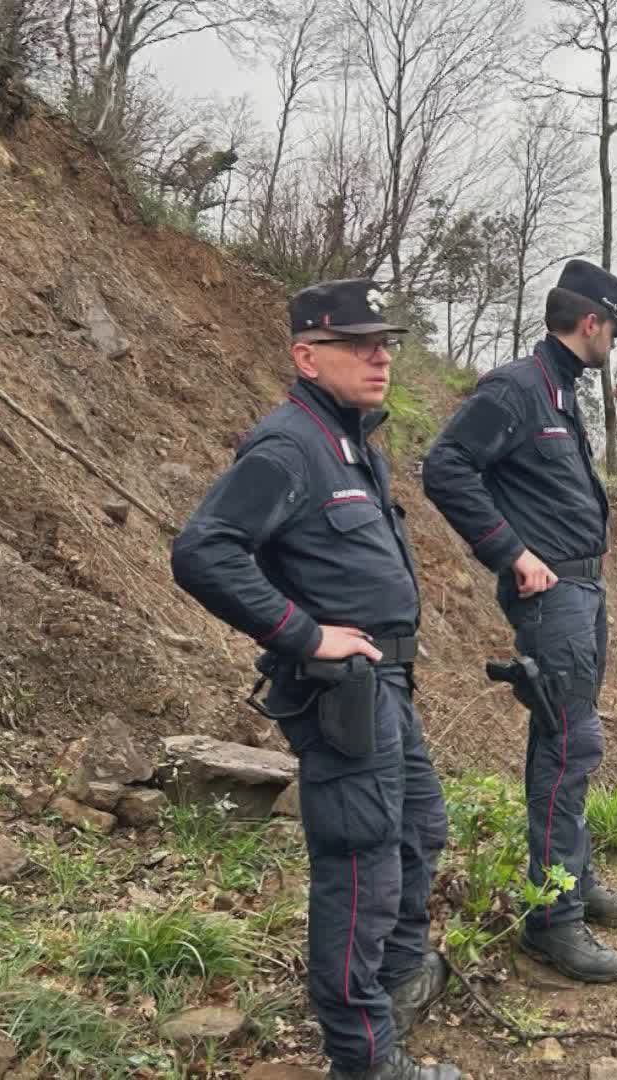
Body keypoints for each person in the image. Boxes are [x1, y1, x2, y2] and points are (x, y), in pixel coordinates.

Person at [171, 279, 461, 1080]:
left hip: (388, 690)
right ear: (307, 356)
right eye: (358, 344)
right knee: (361, 863)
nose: (380, 356)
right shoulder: (288, 446)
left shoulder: (353, 441)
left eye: (386, 344)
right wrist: (303, 633)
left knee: (418, 830)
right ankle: (363, 1059)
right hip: (343, 697)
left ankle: (399, 984)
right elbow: (204, 551)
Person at [420, 259, 617, 985]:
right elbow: (446, 467)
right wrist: (512, 553)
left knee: (568, 743)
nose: (613, 341)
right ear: (591, 323)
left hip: (581, 596)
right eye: (612, 329)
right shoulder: (517, 389)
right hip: (552, 603)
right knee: (569, 746)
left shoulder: (560, 390)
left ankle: (572, 885)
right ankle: (552, 922)